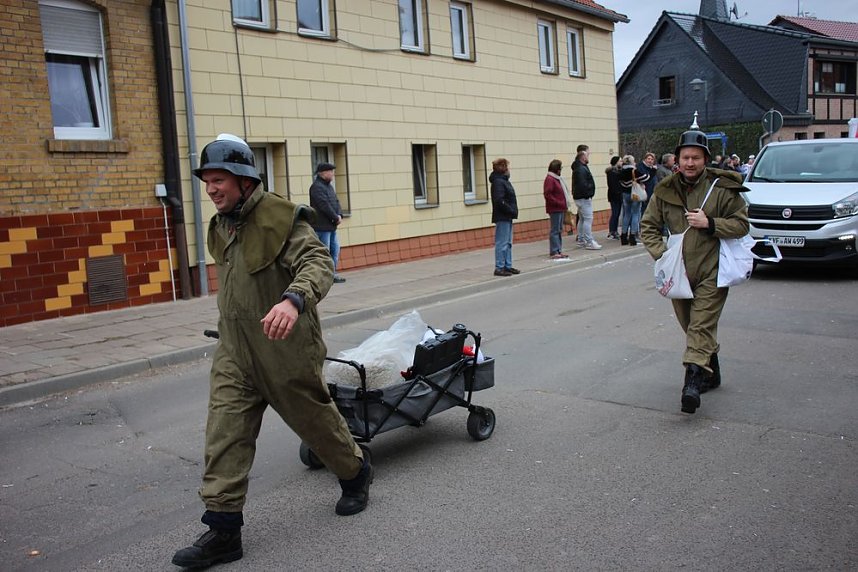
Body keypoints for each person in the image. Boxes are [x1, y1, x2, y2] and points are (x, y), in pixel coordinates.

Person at [172, 134, 372, 568]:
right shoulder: (221, 224)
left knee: (316, 425)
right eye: (207, 181)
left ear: (244, 180)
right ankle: (224, 532)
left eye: (219, 179)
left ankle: (355, 474)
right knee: (224, 435)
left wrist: (293, 299)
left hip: (286, 350)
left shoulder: (282, 217)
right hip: (235, 352)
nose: (211, 189)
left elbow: (319, 262)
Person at [640, 128, 749, 415]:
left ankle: (691, 383)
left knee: (700, 325)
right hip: (679, 272)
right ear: (677, 159)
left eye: (696, 158)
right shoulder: (665, 190)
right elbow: (648, 226)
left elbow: (741, 225)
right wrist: (662, 255)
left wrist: (710, 223)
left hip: (713, 270)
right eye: (685, 157)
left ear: (706, 160)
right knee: (690, 324)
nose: (690, 163)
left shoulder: (723, 188)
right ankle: (711, 371)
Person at [309, 162, 346, 283]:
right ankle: (324, 276)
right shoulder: (316, 187)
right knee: (324, 252)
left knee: (335, 250)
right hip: (322, 227)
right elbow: (323, 205)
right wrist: (335, 217)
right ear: (323, 173)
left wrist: (339, 214)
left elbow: (335, 201)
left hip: (331, 226)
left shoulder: (328, 187)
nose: (333, 174)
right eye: (331, 171)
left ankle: (332, 274)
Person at [490, 157, 520, 276]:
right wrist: (510, 209)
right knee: (502, 242)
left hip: (507, 216)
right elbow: (499, 200)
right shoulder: (498, 182)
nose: (509, 169)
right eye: (507, 167)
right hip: (503, 216)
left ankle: (507, 265)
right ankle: (499, 267)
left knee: (508, 242)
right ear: (503, 168)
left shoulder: (503, 180)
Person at [571, 150, 602, 250]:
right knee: (588, 219)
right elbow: (582, 184)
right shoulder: (581, 169)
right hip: (584, 197)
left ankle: (581, 240)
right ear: (583, 158)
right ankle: (589, 241)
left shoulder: (578, 168)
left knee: (582, 219)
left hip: (579, 197)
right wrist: (589, 192)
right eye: (587, 155)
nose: (588, 157)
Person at [544, 159, 571, 259]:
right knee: (555, 230)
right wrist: (558, 202)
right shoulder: (550, 179)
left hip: (560, 208)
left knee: (559, 229)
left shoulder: (556, 178)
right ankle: (554, 250)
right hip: (555, 208)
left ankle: (558, 250)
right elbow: (548, 194)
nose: (561, 170)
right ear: (557, 169)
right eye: (560, 168)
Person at [618, 154, 643, 246]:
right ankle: (633, 235)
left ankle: (623, 236)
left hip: (625, 194)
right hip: (634, 194)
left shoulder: (621, 171)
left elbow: (618, 181)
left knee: (626, 214)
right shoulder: (634, 171)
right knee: (635, 214)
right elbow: (646, 177)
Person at [605, 156, 623, 240]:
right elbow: (613, 185)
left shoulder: (617, 171)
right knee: (615, 213)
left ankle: (614, 230)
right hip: (614, 195)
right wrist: (618, 192)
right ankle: (612, 231)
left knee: (617, 213)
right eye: (620, 161)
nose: (621, 162)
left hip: (616, 195)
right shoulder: (612, 172)